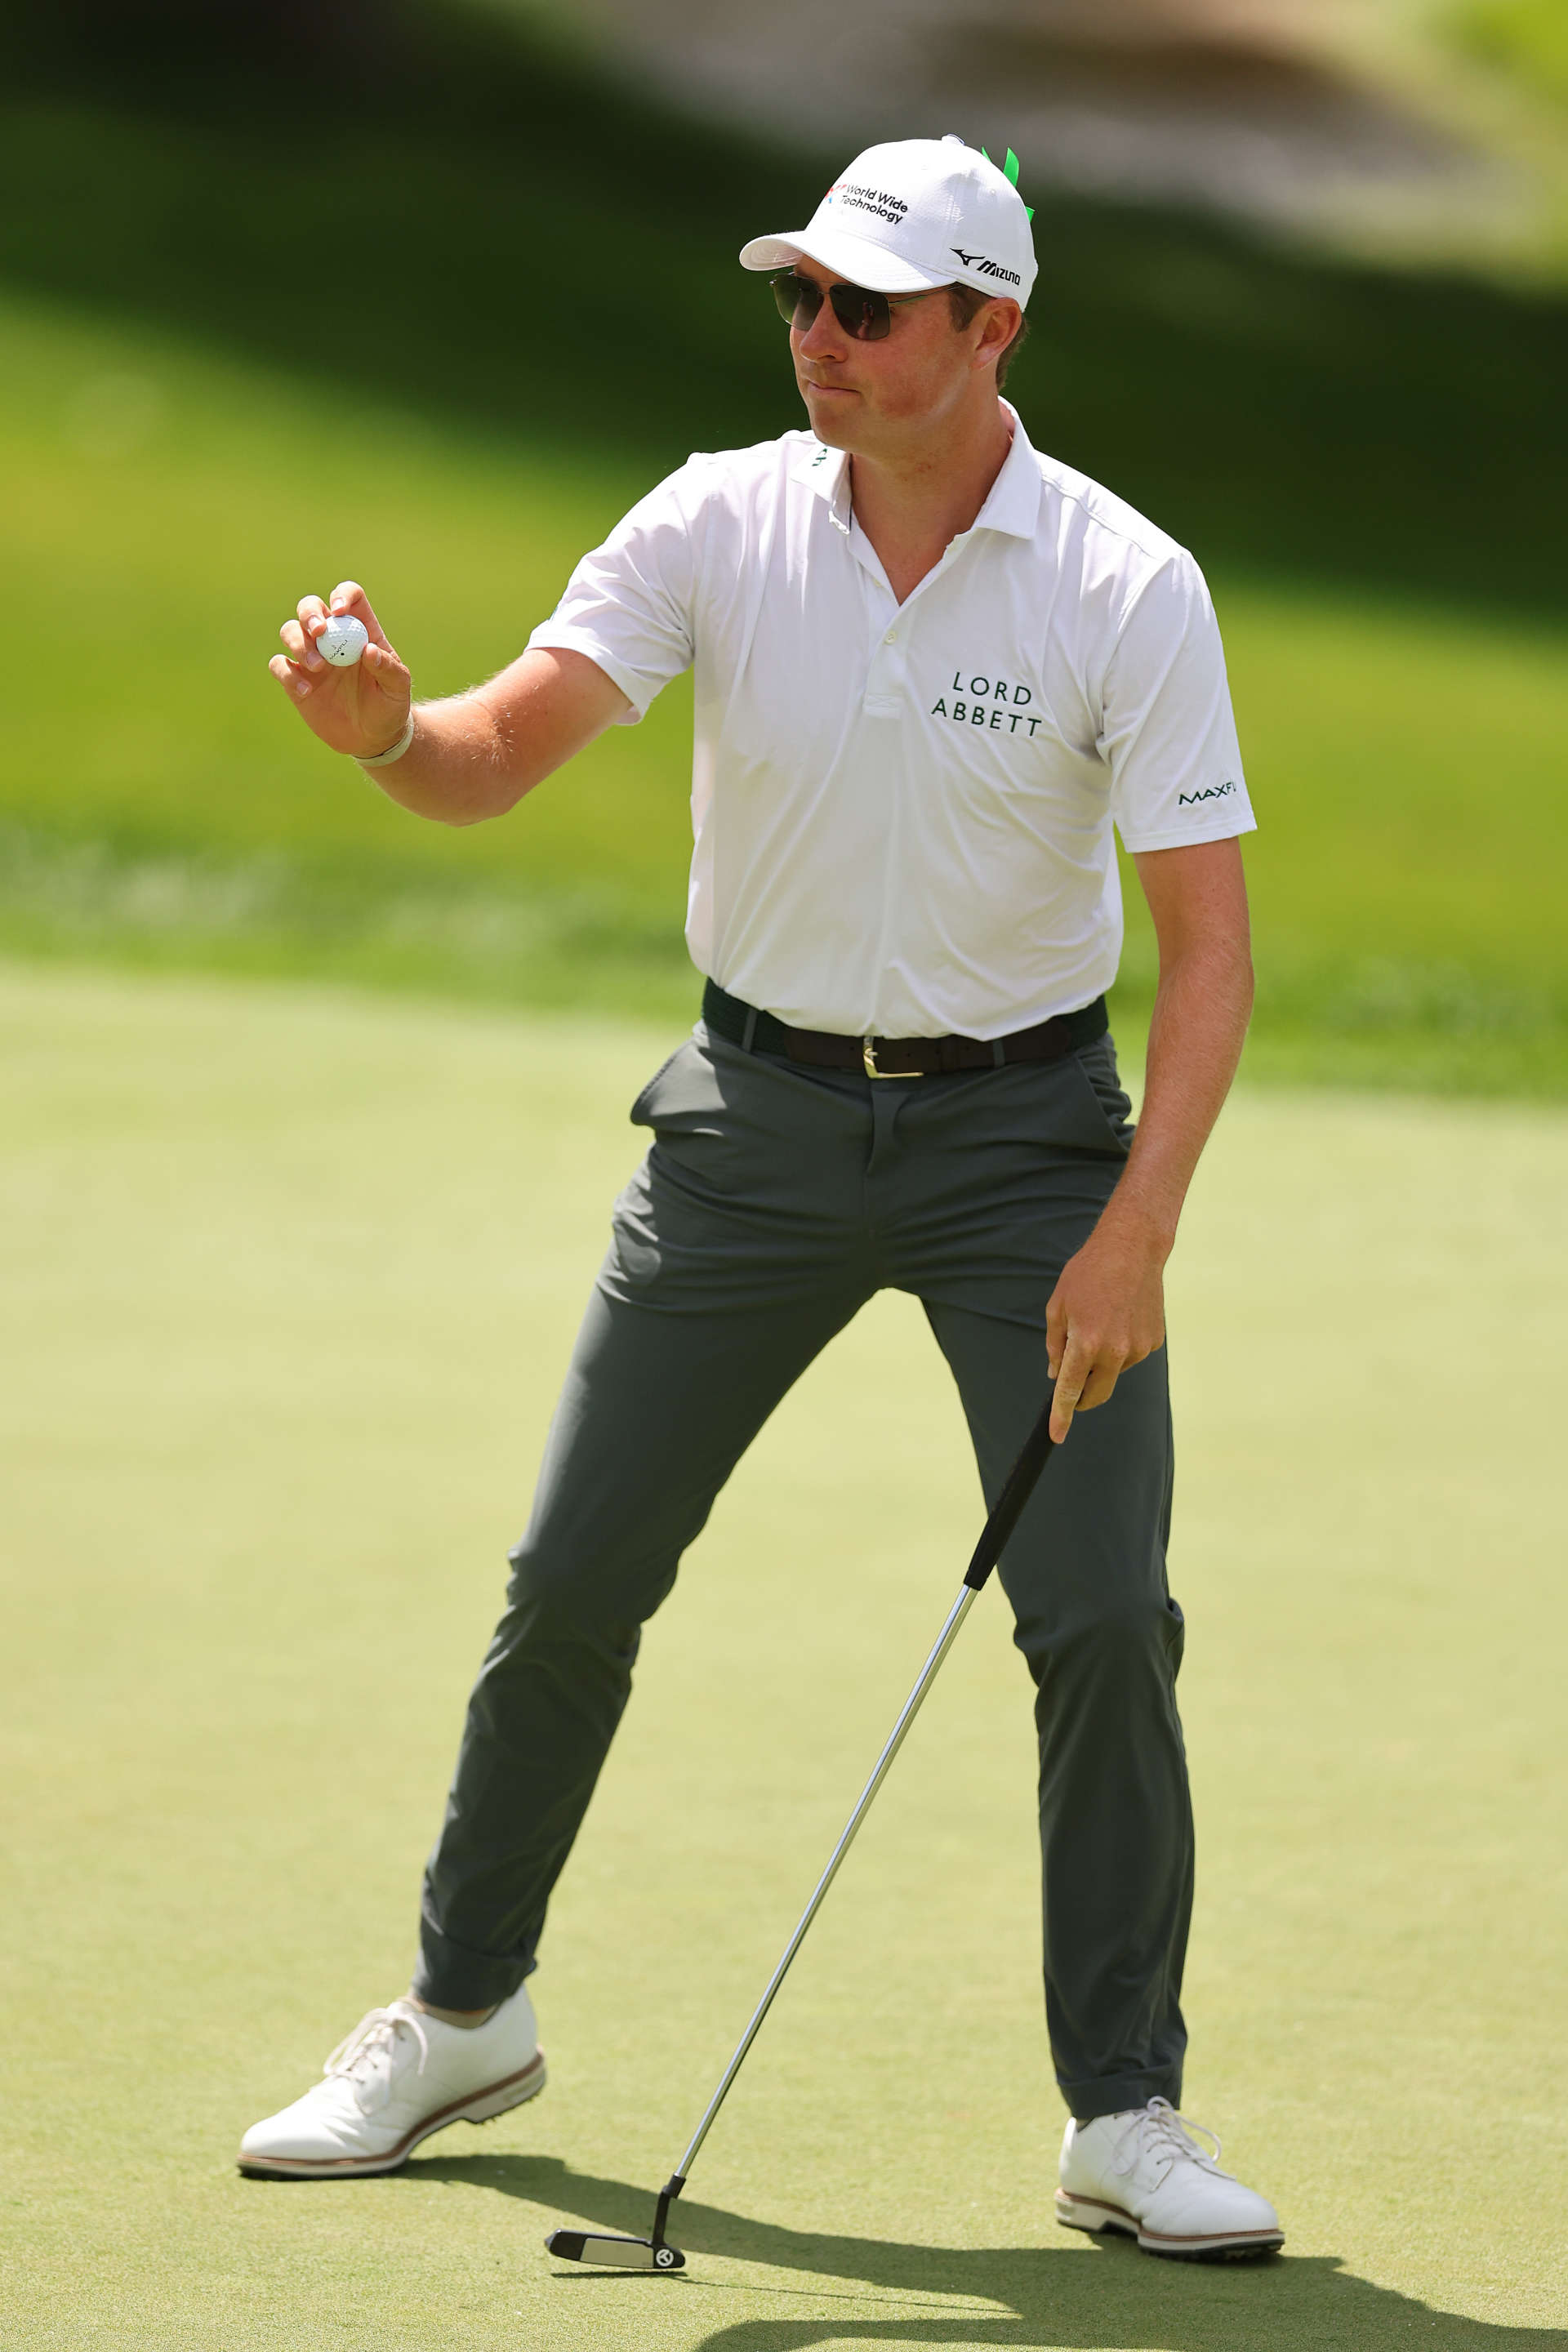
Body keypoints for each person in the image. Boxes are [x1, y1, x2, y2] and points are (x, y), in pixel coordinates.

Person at [243, 135, 1281, 2261]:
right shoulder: (719, 521)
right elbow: (493, 752)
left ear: (987, 328)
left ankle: (1127, 2113)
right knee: (574, 1575)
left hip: (1026, 1156)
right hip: (750, 1126)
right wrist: (378, 731)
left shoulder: (1121, 582)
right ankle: (458, 2012)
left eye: (865, 308)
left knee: (1099, 1613)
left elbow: (1215, 950)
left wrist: (1138, 1225)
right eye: (799, 300)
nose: (818, 338)